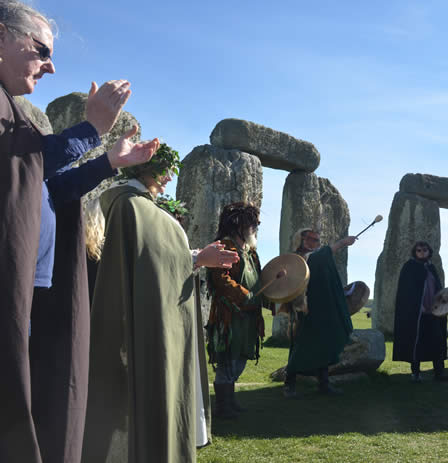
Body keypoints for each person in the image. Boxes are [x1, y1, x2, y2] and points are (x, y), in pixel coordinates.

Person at [0, 2, 152, 461]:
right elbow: (24, 163)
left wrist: (108, 162)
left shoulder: (12, 110)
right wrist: (92, 129)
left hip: (32, 290)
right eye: (42, 50)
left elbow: (42, 185)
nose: (50, 66)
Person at [81, 145, 238, 463]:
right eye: (165, 169)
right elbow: (155, 261)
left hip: (120, 317)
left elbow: (149, 257)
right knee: (143, 397)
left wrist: (195, 257)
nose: (169, 177)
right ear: (145, 167)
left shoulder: (117, 202)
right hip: (142, 322)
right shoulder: (135, 208)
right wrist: (197, 258)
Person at [206, 202, 269, 419]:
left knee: (239, 359)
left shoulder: (250, 252)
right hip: (230, 316)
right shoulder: (225, 247)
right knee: (228, 361)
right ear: (239, 225)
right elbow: (220, 278)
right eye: (253, 223)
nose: (256, 227)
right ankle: (223, 406)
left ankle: (230, 401)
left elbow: (259, 279)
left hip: (248, 316)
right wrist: (243, 295)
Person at [283, 229, 356, 397]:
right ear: (300, 239)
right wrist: (342, 243)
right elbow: (317, 259)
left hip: (320, 310)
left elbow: (324, 279)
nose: (314, 242)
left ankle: (324, 384)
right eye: (310, 239)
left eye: (316, 240)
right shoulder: (296, 258)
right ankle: (289, 385)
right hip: (303, 310)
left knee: (323, 344)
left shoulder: (316, 257)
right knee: (299, 346)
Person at [393, 241, 448, 382]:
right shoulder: (409, 267)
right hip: (417, 314)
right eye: (419, 250)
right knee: (417, 343)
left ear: (429, 252)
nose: (422, 252)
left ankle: (439, 373)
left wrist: (445, 303)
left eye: (425, 250)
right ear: (415, 252)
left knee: (437, 342)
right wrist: (416, 306)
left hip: (434, 312)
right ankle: (415, 374)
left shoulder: (431, 267)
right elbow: (406, 292)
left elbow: (438, 288)